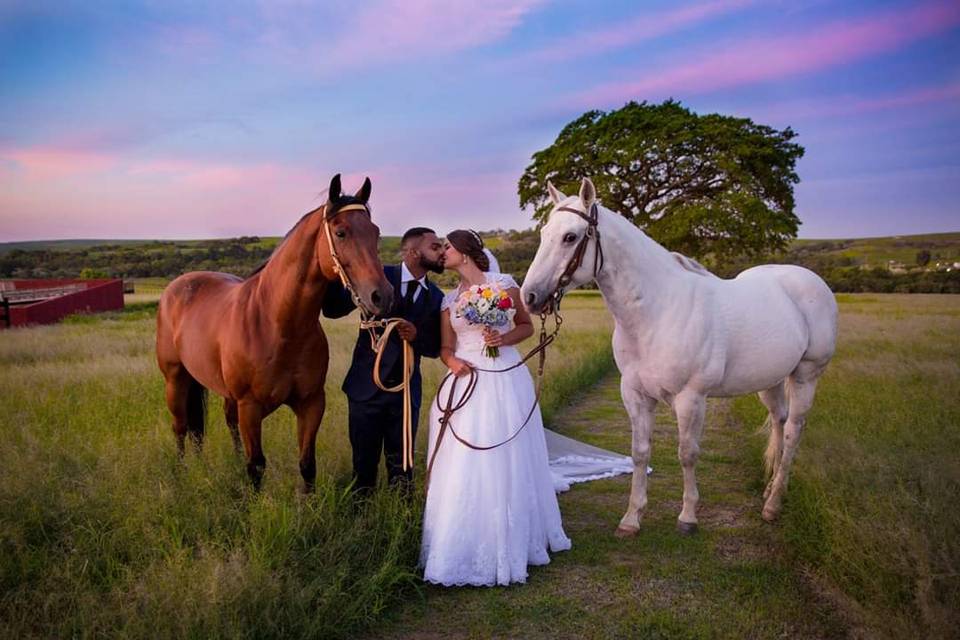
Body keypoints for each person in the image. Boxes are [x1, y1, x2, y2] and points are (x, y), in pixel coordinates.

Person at [420, 229, 571, 587]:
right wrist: (452, 363)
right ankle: (460, 540)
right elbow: (445, 347)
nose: (443, 253)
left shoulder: (504, 285)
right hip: (466, 378)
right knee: (463, 460)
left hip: (504, 375)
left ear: (466, 253)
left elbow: (525, 326)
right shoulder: (448, 300)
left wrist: (500, 339)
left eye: (449, 248)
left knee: (505, 452)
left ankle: (512, 537)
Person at [323, 227, 445, 493]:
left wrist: (416, 335)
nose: (442, 252)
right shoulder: (379, 276)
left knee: (402, 465)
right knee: (363, 464)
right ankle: (361, 516)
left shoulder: (436, 297)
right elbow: (332, 310)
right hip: (365, 388)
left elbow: (436, 347)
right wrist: (336, 268)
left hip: (405, 392)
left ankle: (401, 516)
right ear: (413, 252)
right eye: (435, 247)